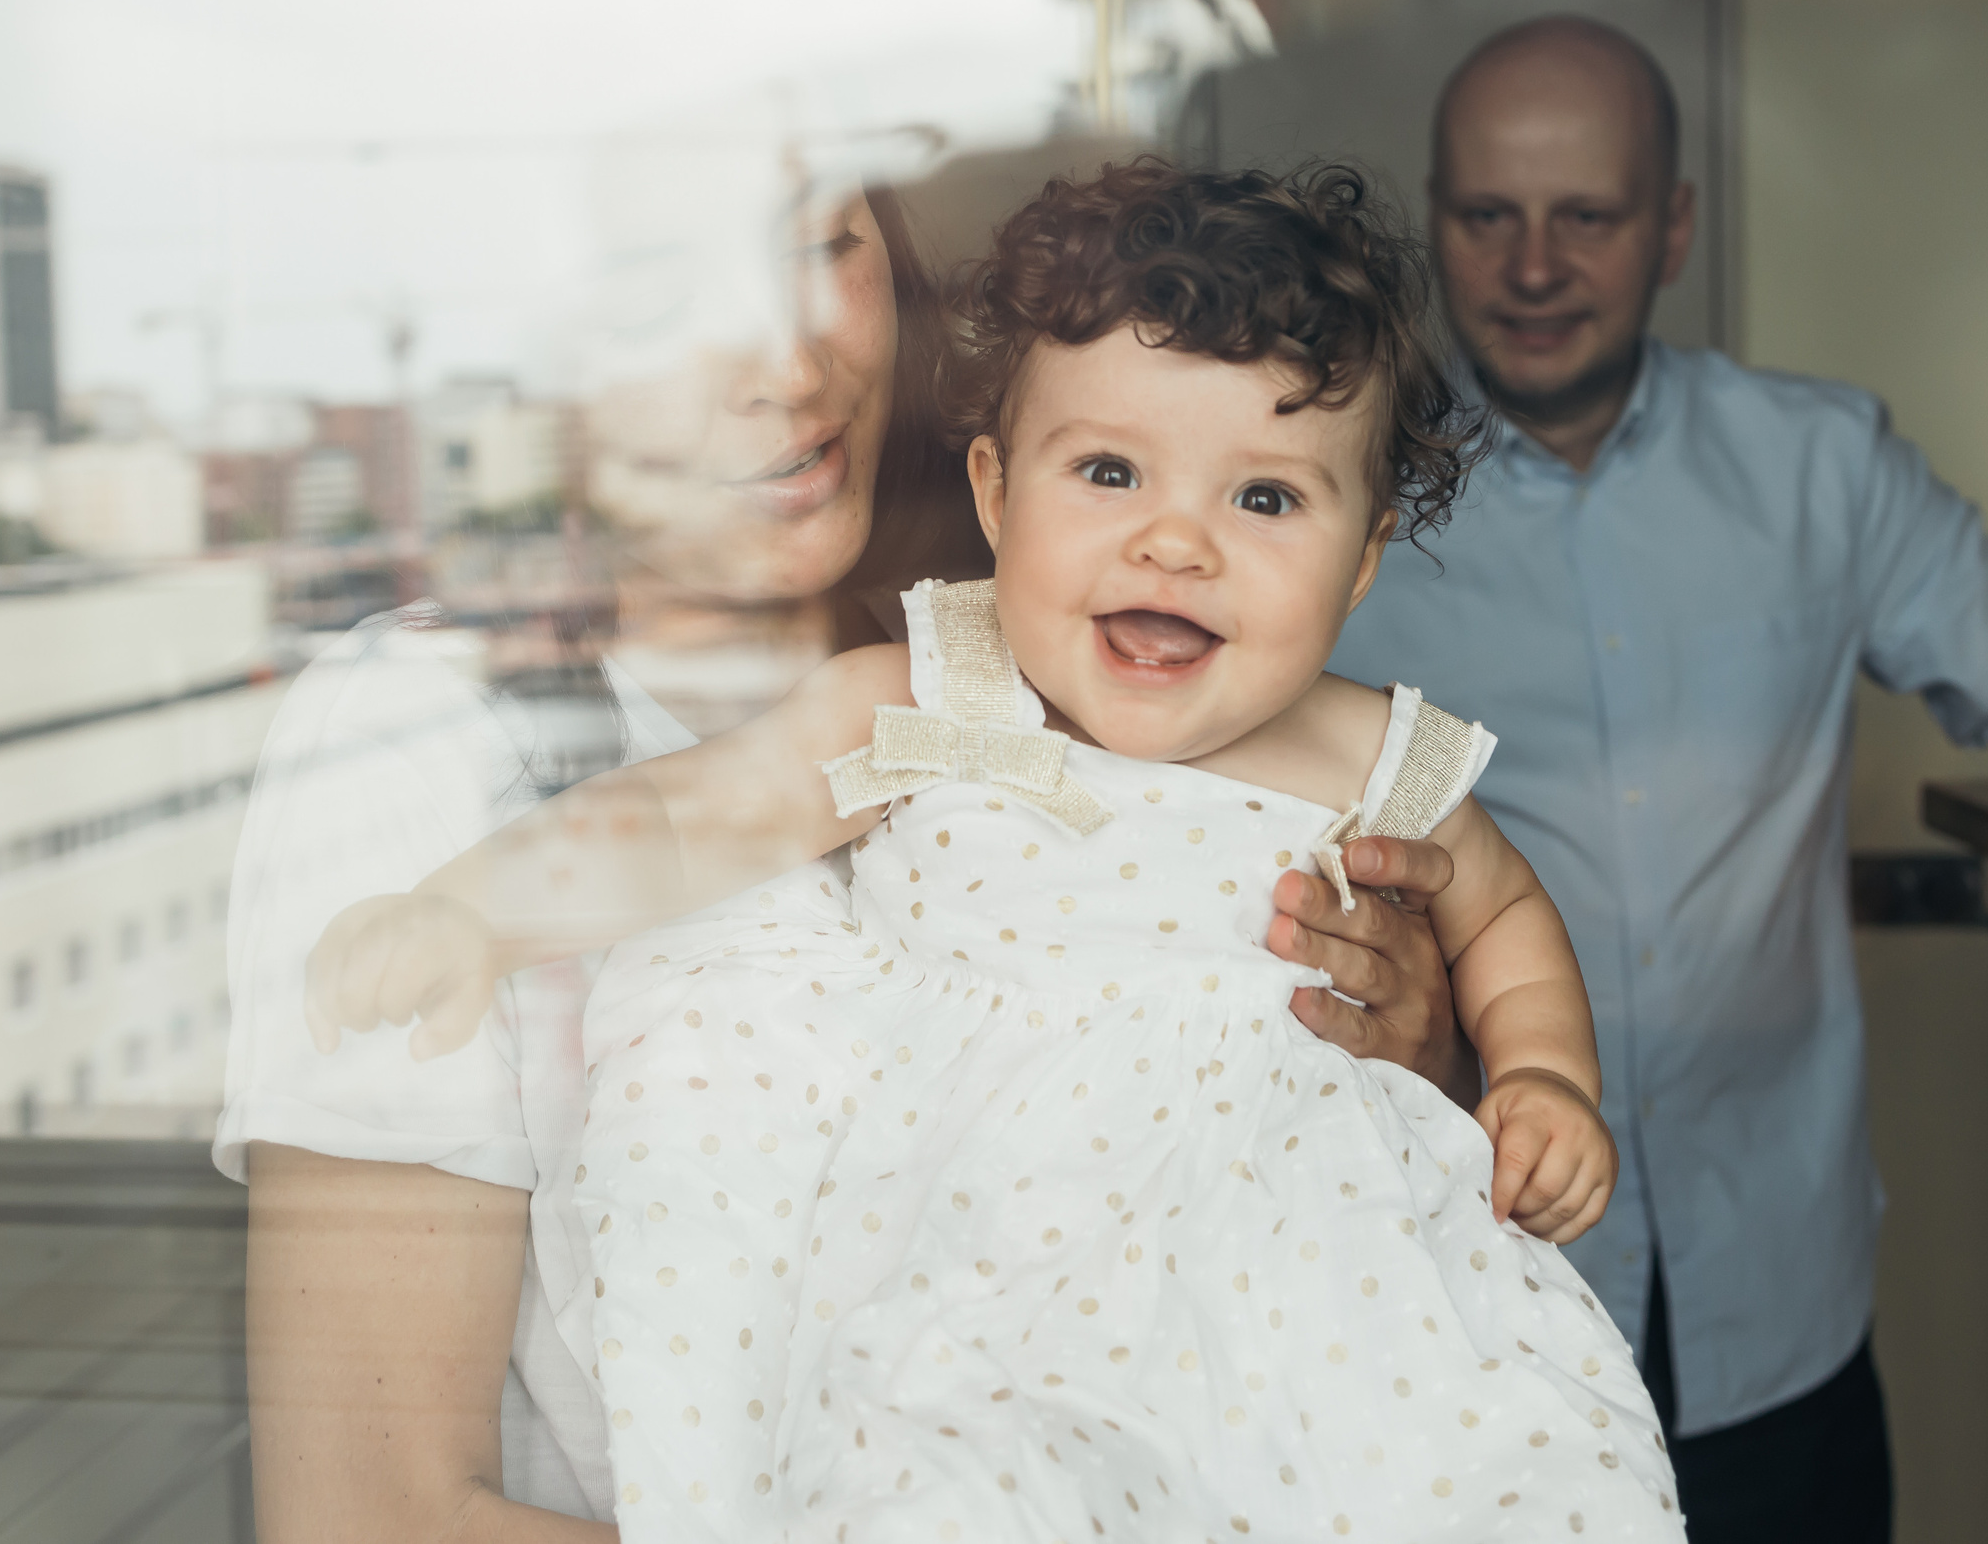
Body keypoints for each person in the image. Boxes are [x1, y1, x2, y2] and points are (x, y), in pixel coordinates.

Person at [307, 160, 1681, 1541]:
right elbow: (684, 816)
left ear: (1366, 556)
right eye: (1107, 472)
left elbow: (1506, 918)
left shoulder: (1371, 755)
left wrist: (1544, 1075)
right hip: (1002, 1285)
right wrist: (472, 912)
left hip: (1292, 1291)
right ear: (996, 490)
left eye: (1264, 501)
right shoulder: (938, 694)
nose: (1174, 542)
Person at [1328, 13, 1988, 1544]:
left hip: (1778, 1303)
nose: (1534, 264)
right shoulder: (1337, 500)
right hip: (1443, 1287)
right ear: (1439, 217)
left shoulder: (1826, 468)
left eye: (1587, 215)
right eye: (1488, 215)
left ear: (1672, 226)